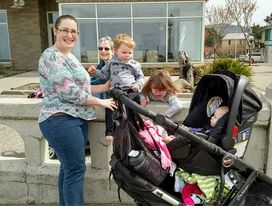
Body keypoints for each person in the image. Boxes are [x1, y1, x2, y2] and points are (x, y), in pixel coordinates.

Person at [38, 15, 117, 206]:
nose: (69, 35)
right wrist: (100, 102)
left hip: (75, 119)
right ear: (55, 31)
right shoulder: (52, 56)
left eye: (73, 31)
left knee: (68, 169)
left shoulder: (69, 56)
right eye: (65, 30)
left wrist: (106, 88)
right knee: (74, 170)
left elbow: (84, 87)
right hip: (60, 120)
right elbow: (68, 91)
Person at [88, 33, 145, 141]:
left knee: (134, 104)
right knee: (109, 107)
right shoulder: (111, 62)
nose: (127, 55)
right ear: (115, 51)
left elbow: (141, 78)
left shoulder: (135, 64)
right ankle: (109, 130)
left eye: (130, 52)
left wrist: (137, 85)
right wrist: (95, 71)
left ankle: (136, 124)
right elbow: (104, 74)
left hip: (130, 89)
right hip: (116, 90)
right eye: (124, 52)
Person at [89, 36, 115, 142]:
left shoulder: (115, 63)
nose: (103, 51)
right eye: (100, 48)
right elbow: (99, 80)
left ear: (113, 50)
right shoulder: (101, 64)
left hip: (113, 96)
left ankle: (110, 131)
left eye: (106, 49)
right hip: (103, 96)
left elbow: (107, 81)